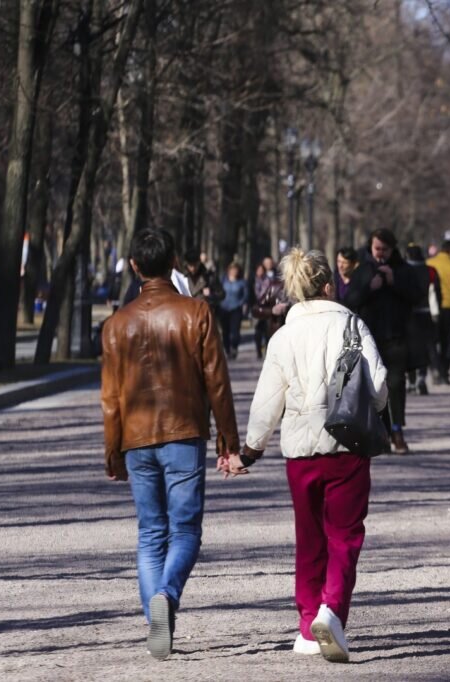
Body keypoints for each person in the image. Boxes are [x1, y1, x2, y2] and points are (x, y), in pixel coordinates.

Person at [228, 248, 387, 662]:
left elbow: (267, 402)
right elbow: (381, 384)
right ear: (329, 284)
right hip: (347, 443)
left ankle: (305, 626)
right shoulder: (353, 323)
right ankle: (332, 609)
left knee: (309, 536)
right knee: (345, 534)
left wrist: (250, 451)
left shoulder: (283, 336)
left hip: (300, 449)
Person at [100, 228, 239, 660]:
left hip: (137, 437)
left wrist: (113, 451)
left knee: (150, 533)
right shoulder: (196, 312)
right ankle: (168, 594)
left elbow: (110, 398)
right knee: (185, 531)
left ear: (135, 267)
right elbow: (216, 380)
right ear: (174, 262)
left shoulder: (115, 325)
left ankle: (154, 616)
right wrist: (227, 440)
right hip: (184, 430)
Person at [343, 229, 424, 453]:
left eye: (385, 250)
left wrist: (394, 282)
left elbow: (417, 296)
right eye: (377, 249)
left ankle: (397, 431)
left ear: (392, 249)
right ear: (371, 247)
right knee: (373, 387)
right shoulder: (363, 270)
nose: (380, 254)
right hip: (370, 340)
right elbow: (350, 300)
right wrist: (370, 288)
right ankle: (379, 432)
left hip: (397, 338)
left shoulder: (402, 269)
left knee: (396, 386)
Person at [404, 244, 441, 396]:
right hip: (426, 313)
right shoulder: (430, 271)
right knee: (425, 347)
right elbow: (436, 293)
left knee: (409, 348)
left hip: (407, 314)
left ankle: (411, 381)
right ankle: (422, 377)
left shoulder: (404, 271)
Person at [427, 239, 450, 384]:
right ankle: (445, 372)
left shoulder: (430, 263)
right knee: (446, 342)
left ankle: (435, 367)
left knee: (431, 341)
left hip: (432, 308)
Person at [253, 256, 289, 358]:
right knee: (261, 330)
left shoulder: (277, 276)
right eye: (266, 263)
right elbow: (257, 295)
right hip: (266, 307)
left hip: (278, 311)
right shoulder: (261, 277)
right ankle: (261, 350)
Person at [219, 263, 248, 359]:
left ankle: (234, 347)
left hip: (236, 309)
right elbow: (218, 292)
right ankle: (227, 349)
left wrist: (242, 304)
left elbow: (245, 295)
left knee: (235, 331)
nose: (234, 272)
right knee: (225, 331)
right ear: (228, 270)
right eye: (232, 270)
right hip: (224, 308)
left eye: (236, 270)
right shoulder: (223, 281)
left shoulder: (242, 282)